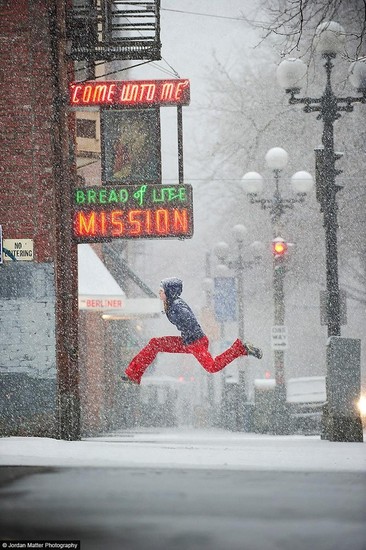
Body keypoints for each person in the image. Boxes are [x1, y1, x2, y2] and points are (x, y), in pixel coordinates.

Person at [122, 277, 262, 385]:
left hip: (196, 342)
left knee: (212, 367)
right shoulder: (172, 304)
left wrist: (190, 335)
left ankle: (241, 349)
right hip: (187, 341)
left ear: (169, 292)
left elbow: (189, 320)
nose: (159, 292)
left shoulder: (177, 306)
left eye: (162, 290)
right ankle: (133, 375)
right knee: (155, 343)